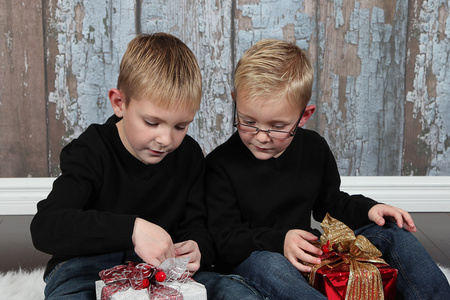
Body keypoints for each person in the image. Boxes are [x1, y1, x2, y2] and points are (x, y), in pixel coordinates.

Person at [203, 39, 450, 299]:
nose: (261, 136)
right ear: (235, 102)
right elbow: (224, 240)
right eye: (248, 121)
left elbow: (330, 205)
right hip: (253, 262)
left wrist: (369, 209)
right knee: (269, 262)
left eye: (277, 126)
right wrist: (280, 242)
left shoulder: (313, 148)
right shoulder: (220, 165)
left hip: (309, 253)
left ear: (304, 116)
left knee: (392, 233)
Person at [30, 33, 214, 299]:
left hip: (161, 271)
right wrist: (132, 230)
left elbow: (197, 224)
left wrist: (198, 247)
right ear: (119, 103)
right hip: (87, 267)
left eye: (180, 126)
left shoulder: (189, 155)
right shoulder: (92, 149)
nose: (165, 139)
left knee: (225, 287)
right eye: (152, 123)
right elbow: (46, 226)